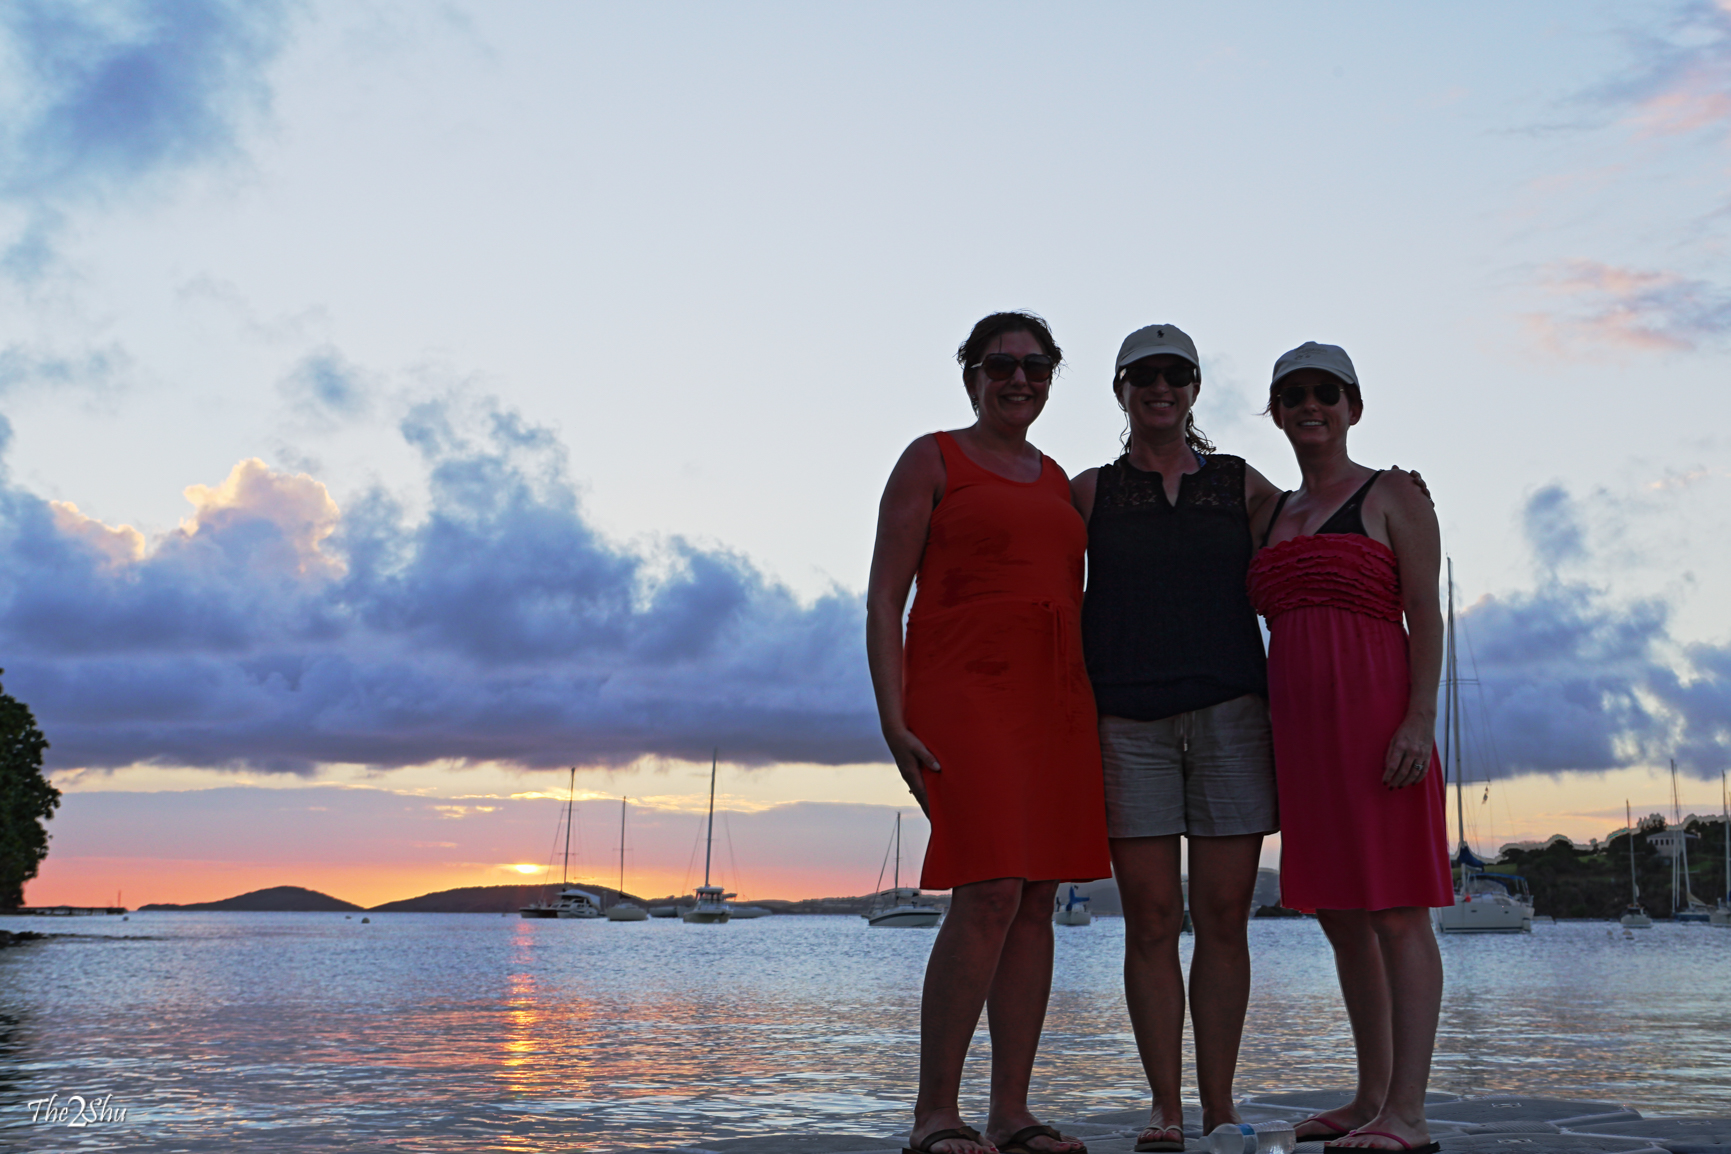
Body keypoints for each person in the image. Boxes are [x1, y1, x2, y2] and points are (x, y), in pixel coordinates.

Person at [867, 312, 1111, 1154]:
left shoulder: (1059, 480)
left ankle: (1011, 1112)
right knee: (990, 888)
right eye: (999, 364)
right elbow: (884, 597)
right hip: (964, 695)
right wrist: (892, 717)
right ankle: (934, 1113)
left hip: (1057, 701)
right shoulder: (932, 459)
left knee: (1038, 897)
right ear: (970, 374)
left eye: (1036, 365)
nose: (1018, 379)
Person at [1070, 324, 1283, 1153]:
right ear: (1120, 389)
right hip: (1125, 723)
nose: (1160, 387)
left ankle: (1219, 1107)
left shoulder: (1239, 484)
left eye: (1176, 374)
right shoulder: (1088, 493)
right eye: (1143, 375)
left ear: (1194, 387)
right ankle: (1165, 1108)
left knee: (1223, 915)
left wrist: (1394, 491)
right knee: (1151, 920)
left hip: (1232, 716)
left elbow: (1323, 517)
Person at [1246, 342, 1450, 1154]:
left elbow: (1424, 613)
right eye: (1293, 394)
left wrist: (1418, 720)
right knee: (1339, 916)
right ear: (1274, 412)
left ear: (1352, 407)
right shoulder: (1265, 511)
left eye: (1325, 393)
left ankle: (1408, 1113)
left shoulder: (1391, 493)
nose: (1310, 405)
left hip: (1379, 726)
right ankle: (1371, 1095)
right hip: (1300, 737)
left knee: (1397, 912)